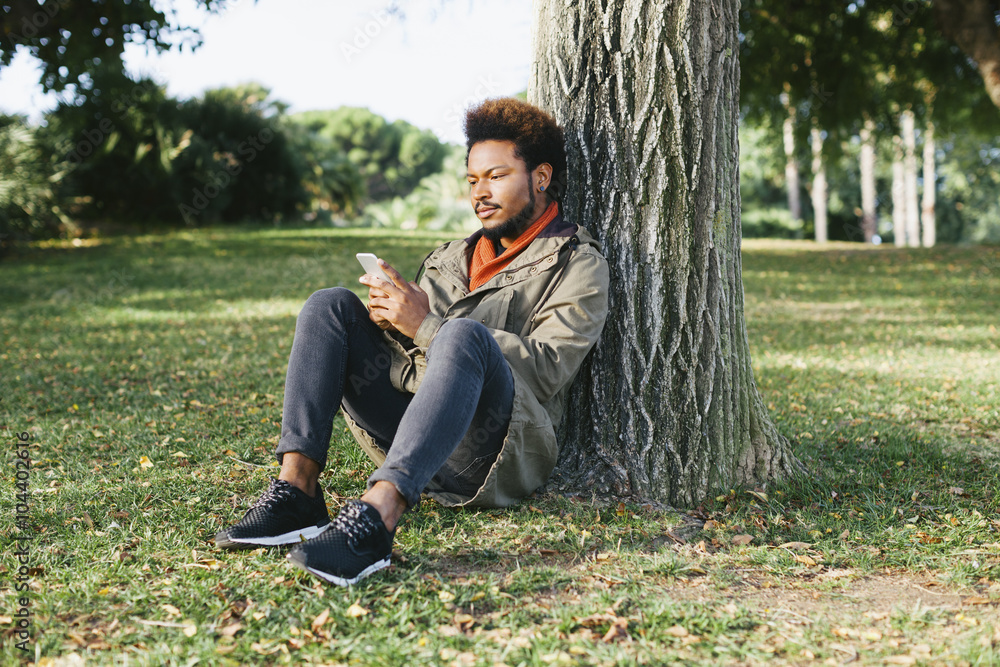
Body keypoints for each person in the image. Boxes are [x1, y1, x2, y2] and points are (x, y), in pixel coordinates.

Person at [214, 98, 610, 586]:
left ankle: (377, 519)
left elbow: (549, 367)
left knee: (462, 334)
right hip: (414, 435)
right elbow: (417, 349)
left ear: (541, 177)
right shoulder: (448, 258)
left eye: (496, 176)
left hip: (491, 453)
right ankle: (298, 492)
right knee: (330, 305)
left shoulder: (578, 264)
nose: (480, 193)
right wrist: (390, 320)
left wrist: (427, 325)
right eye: (472, 180)